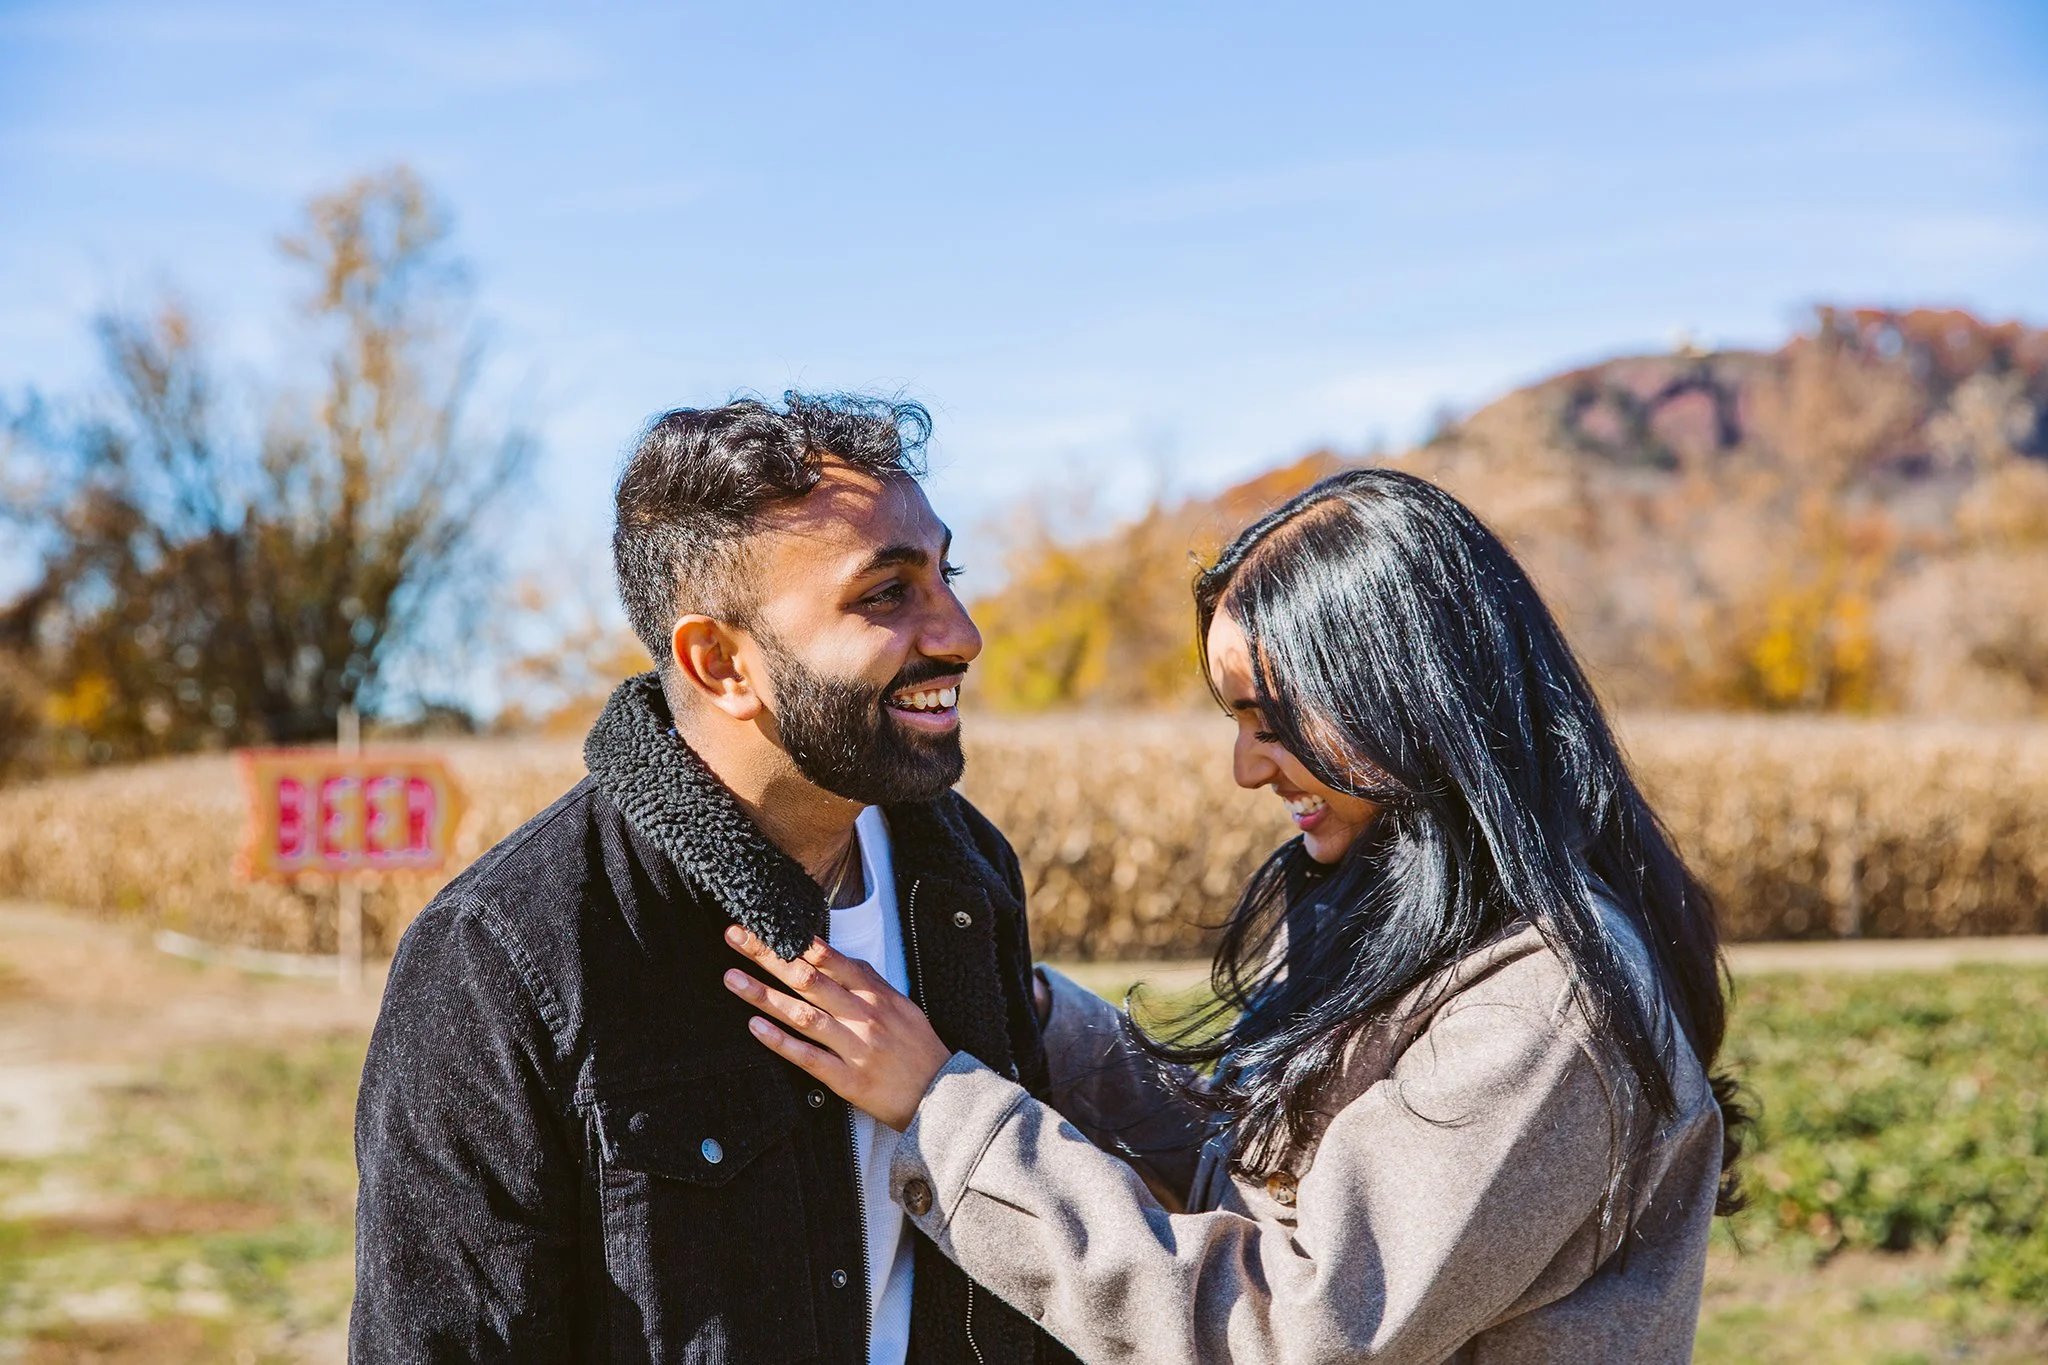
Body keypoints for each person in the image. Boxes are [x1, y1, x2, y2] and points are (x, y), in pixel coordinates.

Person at [724, 467, 1748, 1364]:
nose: (1247, 767)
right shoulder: (1407, 922)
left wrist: (943, 1113)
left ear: (1407, 696)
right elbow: (1248, 1177)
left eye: (1273, 720)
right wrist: (1027, 1013)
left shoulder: (1539, 1017)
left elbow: (1292, 1332)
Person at [352, 394, 1077, 1364]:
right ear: (720, 661)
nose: (961, 633)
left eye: (945, 574)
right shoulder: (498, 959)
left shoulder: (966, 876)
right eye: (885, 594)